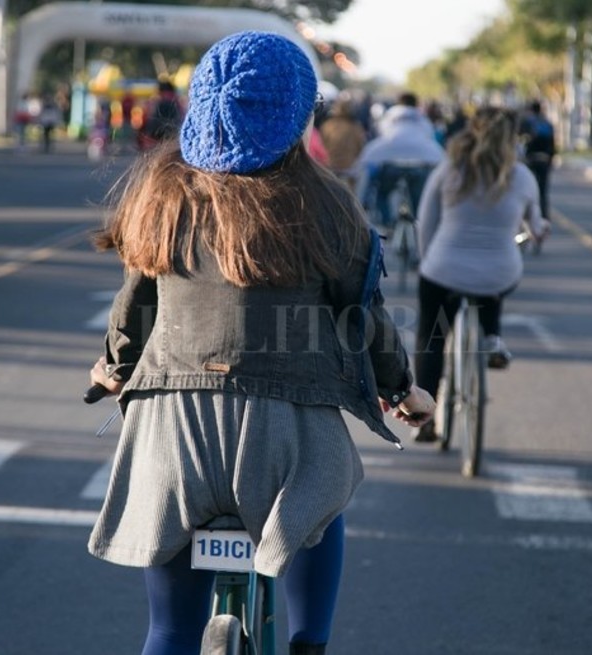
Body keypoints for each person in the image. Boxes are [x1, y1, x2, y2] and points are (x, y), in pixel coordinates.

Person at [85, 31, 433, 655]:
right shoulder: (330, 205)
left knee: (169, 630)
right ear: (297, 116)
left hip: (176, 435)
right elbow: (364, 317)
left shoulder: (162, 193)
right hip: (285, 438)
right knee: (320, 509)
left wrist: (113, 368)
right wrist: (402, 390)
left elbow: (135, 305)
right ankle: (309, 642)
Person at [411, 107, 539, 443]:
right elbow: (535, 226)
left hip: (443, 270)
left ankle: (423, 419)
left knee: (431, 339)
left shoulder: (449, 169)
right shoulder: (523, 177)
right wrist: (539, 231)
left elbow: (426, 224)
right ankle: (491, 336)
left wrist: (428, 262)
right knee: (493, 284)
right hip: (500, 273)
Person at [358, 92, 445, 231]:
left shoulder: (390, 115)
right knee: (420, 199)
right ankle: (419, 224)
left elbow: (380, 132)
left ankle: (387, 223)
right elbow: (429, 135)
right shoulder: (422, 117)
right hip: (419, 164)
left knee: (382, 193)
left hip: (392, 164)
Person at [518, 99, 556, 224]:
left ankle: (529, 217)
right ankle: (544, 217)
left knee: (530, 190)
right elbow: (552, 144)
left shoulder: (528, 122)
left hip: (530, 160)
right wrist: (551, 159)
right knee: (543, 191)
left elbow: (521, 141)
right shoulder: (547, 123)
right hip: (544, 159)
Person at [318, 99, 367, 190]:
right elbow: (360, 149)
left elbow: (321, 146)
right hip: (348, 170)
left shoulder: (327, 125)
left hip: (328, 167)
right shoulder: (357, 128)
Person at [137, 79, 183, 150]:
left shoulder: (162, 101)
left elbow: (156, 118)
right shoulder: (176, 100)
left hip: (161, 133)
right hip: (173, 132)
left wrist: (149, 131)